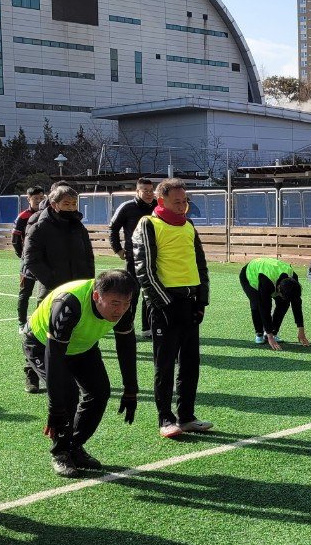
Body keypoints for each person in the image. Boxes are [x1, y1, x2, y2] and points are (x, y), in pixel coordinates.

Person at [24, 271, 139, 477]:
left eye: (126, 303)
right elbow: (55, 356)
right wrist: (55, 408)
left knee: (99, 392)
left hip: (81, 346)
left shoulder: (122, 306)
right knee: (67, 394)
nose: (120, 309)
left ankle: (74, 447)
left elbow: (126, 345)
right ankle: (60, 453)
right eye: (114, 303)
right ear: (96, 296)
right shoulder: (68, 304)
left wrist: (131, 389)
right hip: (42, 345)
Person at [132, 177, 212, 438]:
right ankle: (165, 419)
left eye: (184, 201)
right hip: (165, 306)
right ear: (161, 200)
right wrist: (164, 303)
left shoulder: (189, 225)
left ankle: (187, 416)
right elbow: (144, 269)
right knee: (164, 365)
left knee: (190, 364)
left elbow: (200, 265)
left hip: (190, 304)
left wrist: (201, 301)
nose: (182, 205)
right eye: (176, 201)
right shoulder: (148, 224)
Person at [21, 183, 95, 300]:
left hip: (79, 288)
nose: (71, 208)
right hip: (51, 291)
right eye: (66, 204)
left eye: (74, 204)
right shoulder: (39, 228)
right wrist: (52, 282)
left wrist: (89, 280)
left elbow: (88, 257)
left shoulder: (79, 228)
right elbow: (31, 259)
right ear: (54, 204)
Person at [108, 178, 156, 335]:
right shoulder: (127, 207)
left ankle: (148, 328)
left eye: (151, 190)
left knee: (151, 292)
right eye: (145, 191)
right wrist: (118, 249)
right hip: (133, 257)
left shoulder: (158, 207)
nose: (149, 194)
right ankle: (127, 326)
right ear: (137, 191)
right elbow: (113, 228)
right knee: (132, 293)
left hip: (154, 257)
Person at [239, 259, 310, 350]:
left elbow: (297, 305)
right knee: (257, 304)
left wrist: (301, 330)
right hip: (249, 274)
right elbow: (264, 308)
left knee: (284, 304)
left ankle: (274, 331)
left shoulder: (293, 278)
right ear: (279, 288)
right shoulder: (266, 282)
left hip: (272, 274)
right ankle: (259, 334)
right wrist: (270, 337)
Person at [12, 186, 46, 329]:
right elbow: (15, 240)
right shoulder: (23, 217)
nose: (38, 201)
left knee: (46, 293)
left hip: (45, 262)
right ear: (28, 199)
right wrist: (24, 256)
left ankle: (42, 322)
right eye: (35, 198)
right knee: (25, 292)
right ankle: (22, 323)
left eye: (41, 198)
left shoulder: (47, 215)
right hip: (27, 262)